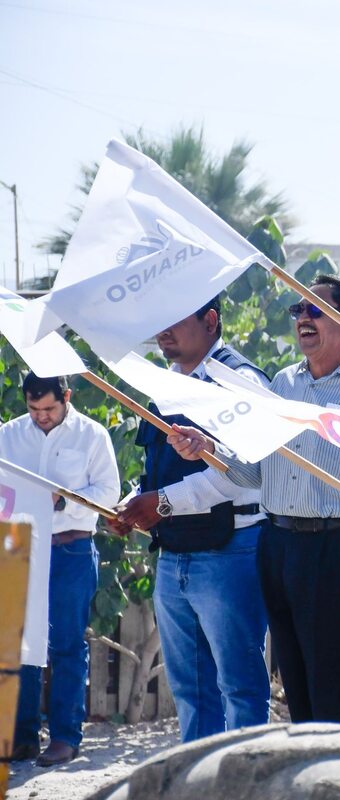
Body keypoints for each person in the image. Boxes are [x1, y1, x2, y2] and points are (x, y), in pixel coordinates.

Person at [168, 275, 340, 731]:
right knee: (297, 688)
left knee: (337, 690)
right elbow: (259, 472)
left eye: (316, 309)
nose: (303, 319)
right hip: (279, 548)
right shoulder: (281, 385)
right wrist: (209, 450)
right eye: (299, 310)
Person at [114, 296, 272, 743]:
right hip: (175, 554)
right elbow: (158, 470)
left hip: (231, 552)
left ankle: (243, 786)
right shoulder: (167, 385)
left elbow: (248, 475)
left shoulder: (239, 381)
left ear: (211, 320)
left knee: (239, 687)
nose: (162, 330)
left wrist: (161, 503)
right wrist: (134, 503)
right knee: (190, 689)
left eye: (174, 319)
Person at [2, 374, 119, 766]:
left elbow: (108, 493)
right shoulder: (9, 435)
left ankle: (66, 737)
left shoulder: (92, 435)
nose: (41, 417)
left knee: (67, 643)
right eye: (34, 409)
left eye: (49, 408)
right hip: (21, 547)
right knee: (21, 643)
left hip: (71, 547)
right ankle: (22, 738)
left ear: (67, 397)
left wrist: (61, 500)